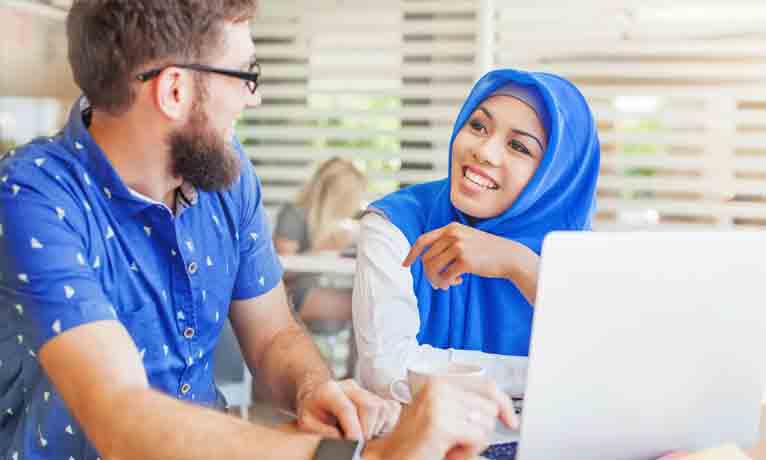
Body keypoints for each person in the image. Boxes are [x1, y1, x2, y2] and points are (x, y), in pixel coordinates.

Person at [0, 2, 517, 460]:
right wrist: (363, 456)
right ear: (175, 90)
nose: (255, 99)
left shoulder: (226, 175)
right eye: (246, 74)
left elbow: (273, 336)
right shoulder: (32, 196)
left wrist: (313, 388)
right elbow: (121, 422)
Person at [352, 68, 601, 399]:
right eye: (478, 126)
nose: (484, 152)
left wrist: (520, 265)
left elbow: (610, 367)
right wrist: (544, 376)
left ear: (555, 179)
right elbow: (390, 372)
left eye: (519, 147)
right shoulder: (395, 225)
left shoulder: (575, 252)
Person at [274, 157, 366, 323]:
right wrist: (325, 250)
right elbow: (280, 272)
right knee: (367, 308)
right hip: (297, 293)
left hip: (330, 284)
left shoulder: (343, 224)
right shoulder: (294, 214)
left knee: (369, 300)